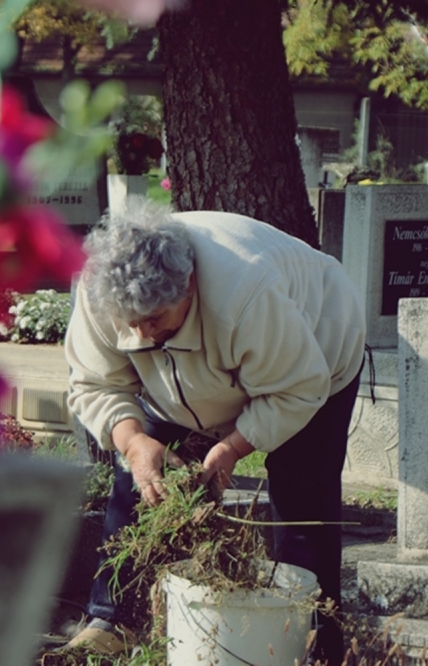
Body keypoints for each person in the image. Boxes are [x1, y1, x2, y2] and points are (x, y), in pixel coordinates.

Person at [63, 196, 366, 664]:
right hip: (183, 381)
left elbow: (298, 389)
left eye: (155, 321)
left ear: (186, 287)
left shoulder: (246, 291)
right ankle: (112, 619)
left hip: (313, 360)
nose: (142, 335)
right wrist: (133, 440)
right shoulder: (99, 290)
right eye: (132, 324)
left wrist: (232, 446)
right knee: (140, 477)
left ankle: (311, 639)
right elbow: (93, 382)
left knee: (302, 498)